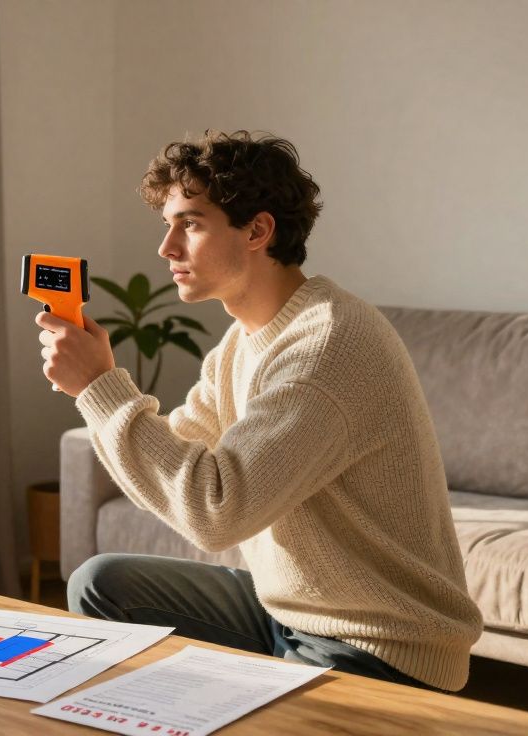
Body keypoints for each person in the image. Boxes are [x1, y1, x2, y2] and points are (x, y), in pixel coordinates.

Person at [35, 130, 482, 692]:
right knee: (102, 582)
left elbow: (214, 511)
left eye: (191, 223)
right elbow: (179, 455)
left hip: (377, 643)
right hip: (286, 614)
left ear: (258, 230)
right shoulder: (243, 342)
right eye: (167, 224)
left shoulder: (328, 344)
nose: (167, 248)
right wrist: (93, 390)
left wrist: (101, 385)